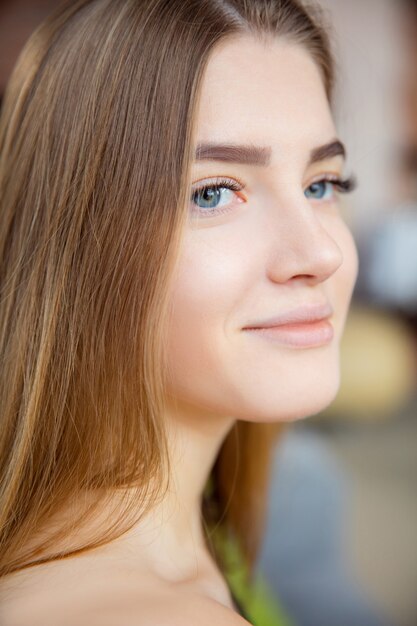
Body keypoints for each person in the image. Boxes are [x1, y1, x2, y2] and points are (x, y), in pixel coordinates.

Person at [0, 0, 358, 624]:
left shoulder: (201, 539)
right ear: (76, 245)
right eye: (214, 192)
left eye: (320, 184)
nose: (320, 252)